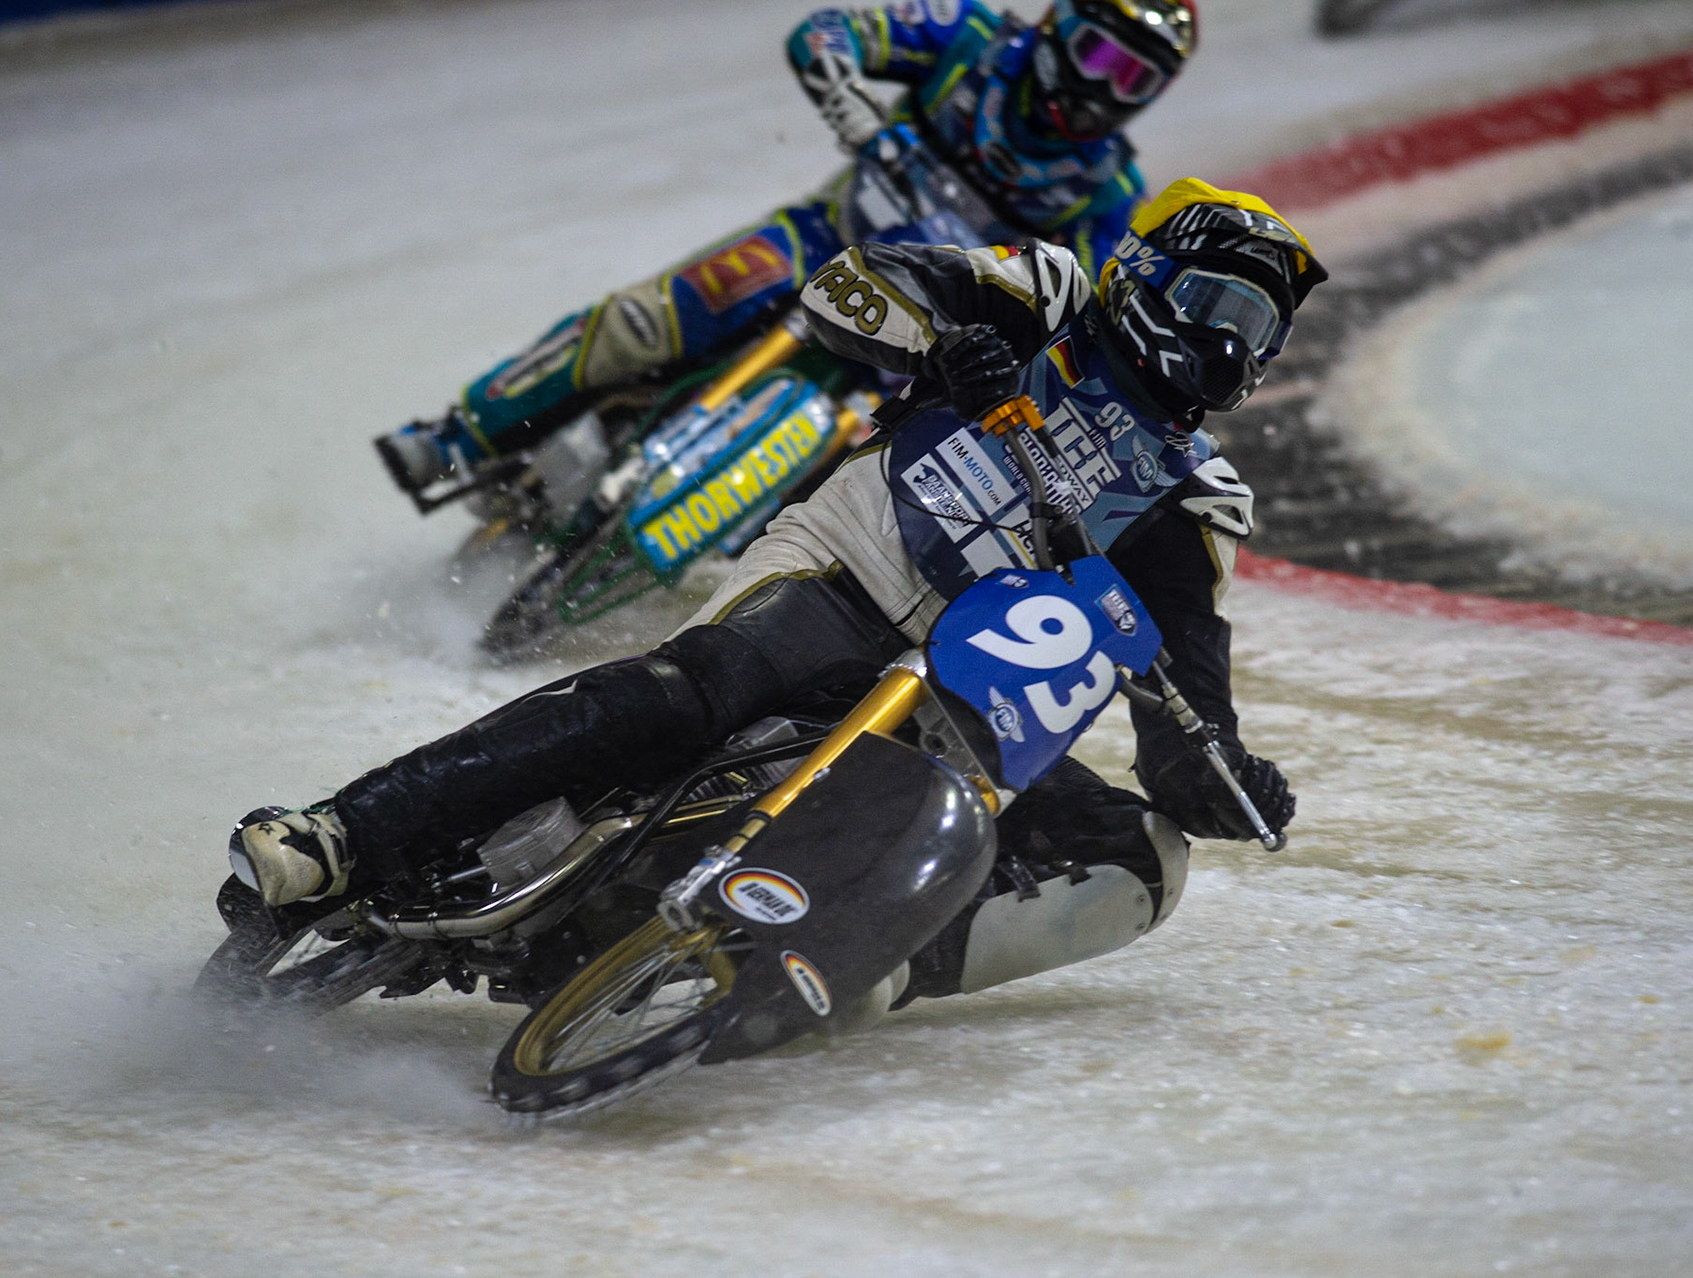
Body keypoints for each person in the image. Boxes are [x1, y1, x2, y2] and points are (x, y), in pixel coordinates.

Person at [238, 178, 1323, 1002]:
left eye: (1260, 328)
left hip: (970, 710)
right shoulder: (1048, 297)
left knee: (1140, 859)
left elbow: (1183, 719)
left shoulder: (1200, 501)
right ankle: (345, 831)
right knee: (688, 695)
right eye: (1219, 302)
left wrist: (1230, 781)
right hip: (847, 569)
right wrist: (946, 347)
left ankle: (873, 977)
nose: (1232, 344)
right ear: (1146, 276)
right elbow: (846, 287)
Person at [376, 0, 1198, 502]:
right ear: (1062, 26)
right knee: (644, 322)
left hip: (910, 337)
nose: (1104, 89)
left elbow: (1081, 315)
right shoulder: (969, 35)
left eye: (1136, 81)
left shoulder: (1108, 190)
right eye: (1101, 56)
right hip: (820, 238)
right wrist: (855, 112)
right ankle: (458, 435)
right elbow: (827, 33)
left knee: (862, 473)